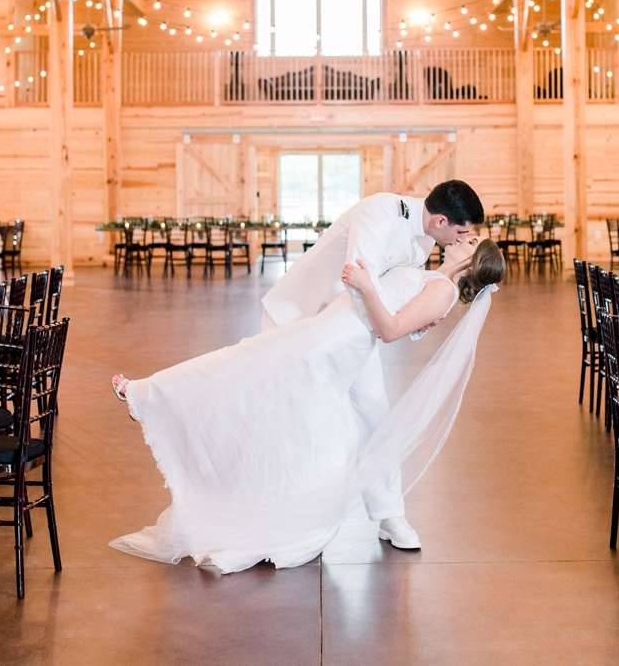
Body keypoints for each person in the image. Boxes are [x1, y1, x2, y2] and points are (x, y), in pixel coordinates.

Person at [110, 238, 506, 574]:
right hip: (324, 329)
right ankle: (150, 395)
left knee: (253, 380)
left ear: (474, 261)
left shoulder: (442, 290)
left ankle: (150, 397)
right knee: (245, 368)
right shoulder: (432, 275)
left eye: (471, 241)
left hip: (334, 343)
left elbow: (390, 330)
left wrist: (367, 286)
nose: (463, 237)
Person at [258, 179, 484, 548]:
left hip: (353, 330)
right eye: (461, 233)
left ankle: (389, 516)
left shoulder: (426, 239)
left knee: (375, 417)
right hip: (300, 317)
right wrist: (391, 327)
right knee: (294, 417)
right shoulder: (381, 212)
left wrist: (414, 320)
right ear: (441, 221)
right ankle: (283, 511)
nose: (463, 240)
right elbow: (357, 280)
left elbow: (398, 291)